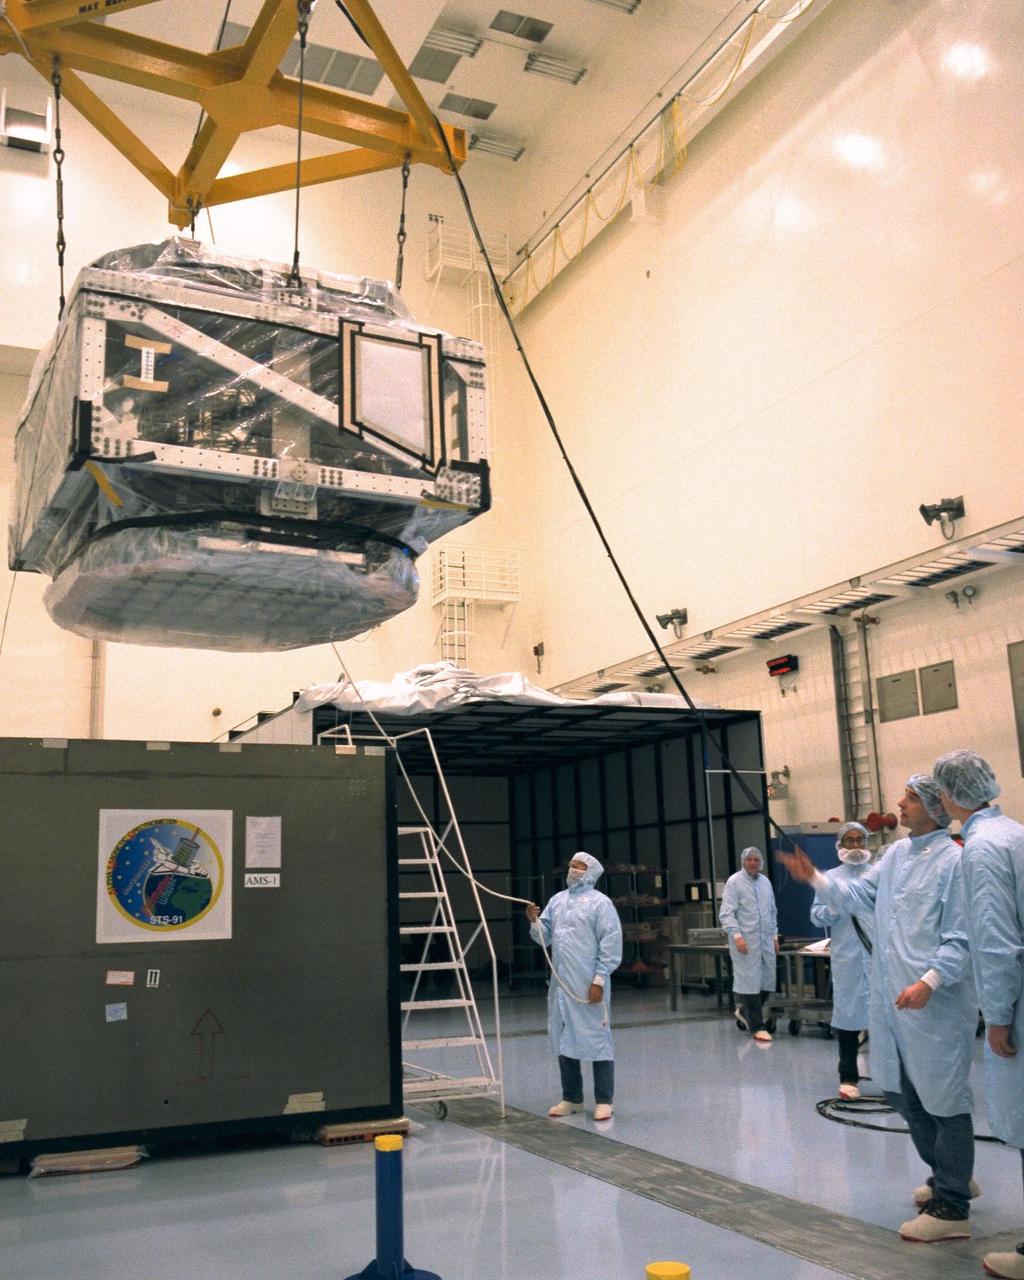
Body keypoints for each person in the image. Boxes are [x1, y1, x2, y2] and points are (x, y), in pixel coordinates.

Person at [778, 775, 979, 1243]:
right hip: (893, 1000)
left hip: (935, 1000)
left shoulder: (954, 862)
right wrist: (815, 877)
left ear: (932, 805)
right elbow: (855, 897)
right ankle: (951, 1173)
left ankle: (952, 1205)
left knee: (945, 1099)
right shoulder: (895, 858)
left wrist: (931, 980)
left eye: (909, 798)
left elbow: (962, 934)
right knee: (900, 1090)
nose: (900, 804)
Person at [934, 750, 1024, 1280]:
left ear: (951, 795)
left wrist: (996, 1015)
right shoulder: (1013, 832)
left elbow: (995, 942)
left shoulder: (982, 848)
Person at [526, 852, 623, 1121]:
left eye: (578, 866)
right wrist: (534, 920)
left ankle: (604, 1100)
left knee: (598, 1039)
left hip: (588, 985)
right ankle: (572, 1098)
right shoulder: (557, 901)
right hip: (561, 987)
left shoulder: (600, 904)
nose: (572, 869)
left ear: (590, 871)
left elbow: (611, 944)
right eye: (571, 865)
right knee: (563, 1039)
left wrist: (599, 980)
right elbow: (543, 938)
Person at [809, 821, 872, 1099]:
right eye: (850, 840)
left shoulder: (878, 874)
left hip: (879, 958)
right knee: (848, 1018)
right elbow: (817, 914)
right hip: (848, 957)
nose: (856, 846)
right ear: (840, 845)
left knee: (888, 1020)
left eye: (860, 840)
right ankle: (848, 1077)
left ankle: (894, 1079)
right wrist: (833, 908)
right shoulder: (830, 878)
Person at [720, 846, 779, 1043]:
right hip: (745, 940)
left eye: (756, 859)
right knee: (749, 982)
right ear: (743, 862)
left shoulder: (765, 883)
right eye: (749, 860)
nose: (753, 863)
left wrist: (774, 936)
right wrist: (737, 936)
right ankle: (756, 1026)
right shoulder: (735, 882)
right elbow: (727, 913)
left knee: (767, 980)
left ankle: (745, 1011)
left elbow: (772, 911)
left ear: (760, 862)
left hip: (765, 940)